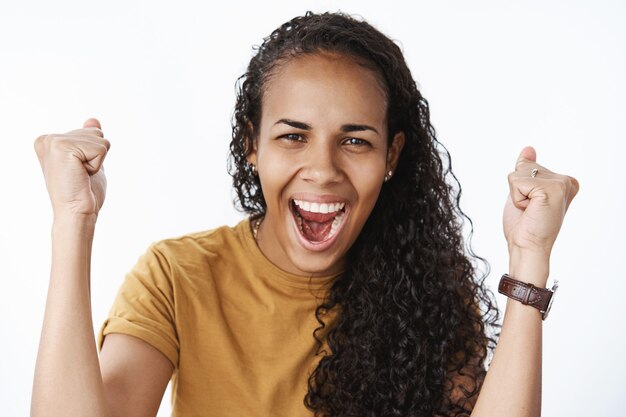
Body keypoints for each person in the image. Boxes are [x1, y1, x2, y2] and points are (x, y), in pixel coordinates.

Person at [31, 11, 579, 417]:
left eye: (356, 142)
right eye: (293, 136)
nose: (322, 170)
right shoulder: (178, 277)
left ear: (391, 156)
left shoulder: (429, 291)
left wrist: (530, 258)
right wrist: (72, 221)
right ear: (252, 144)